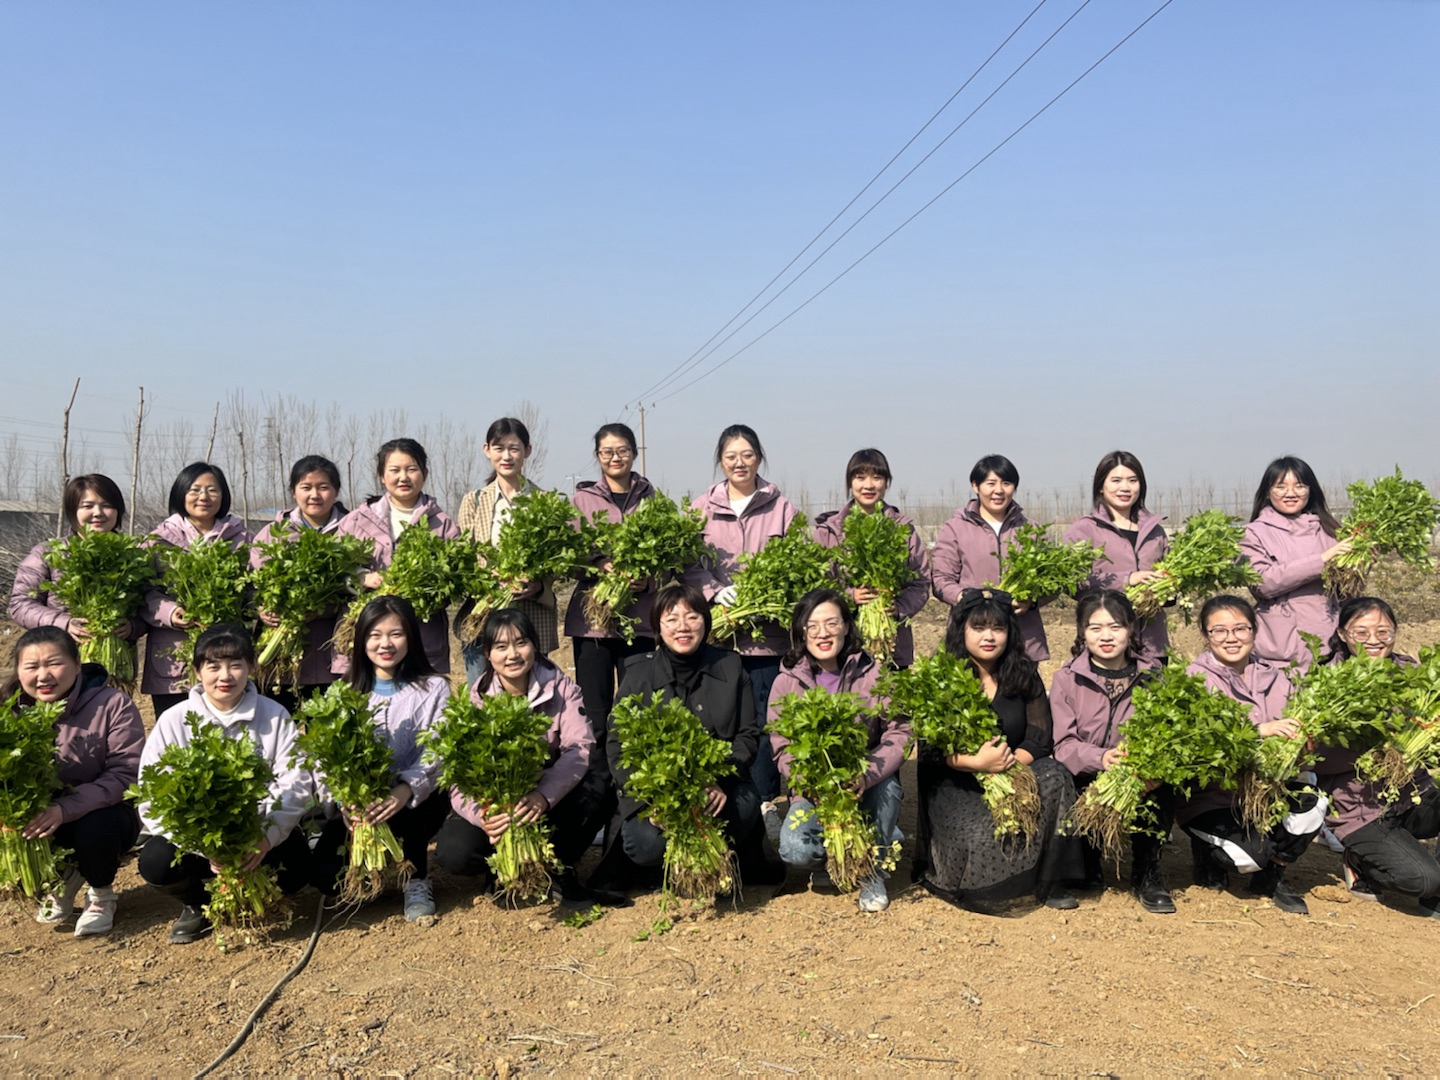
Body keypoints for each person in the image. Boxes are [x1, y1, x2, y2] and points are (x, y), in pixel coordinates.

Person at [592, 583, 778, 899]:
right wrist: (656, 800)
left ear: (706, 621)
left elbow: (748, 734)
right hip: (656, 794)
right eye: (672, 619)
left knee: (740, 811)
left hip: (721, 787)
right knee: (645, 843)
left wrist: (717, 780)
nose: (683, 627)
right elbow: (618, 743)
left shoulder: (731, 666)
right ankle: (663, 866)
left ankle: (711, 865)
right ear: (657, 627)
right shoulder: (637, 674)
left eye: (692, 617)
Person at [135, 624, 312, 944]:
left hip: (258, 832)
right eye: (213, 666)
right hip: (201, 842)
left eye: (236, 665)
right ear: (197, 671)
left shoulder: (274, 715)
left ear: (251, 668)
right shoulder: (174, 721)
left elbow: (296, 783)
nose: (224, 676)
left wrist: (266, 838)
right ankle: (198, 906)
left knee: (299, 865)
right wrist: (205, 849)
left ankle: (261, 900)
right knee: (156, 860)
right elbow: (151, 797)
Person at [915, 589, 1082, 910]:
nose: (989, 636)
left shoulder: (1023, 670)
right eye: (978, 628)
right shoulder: (941, 675)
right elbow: (930, 748)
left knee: (1056, 775)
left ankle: (1052, 879)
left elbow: (1040, 735)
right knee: (980, 839)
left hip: (1014, 770)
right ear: (961, 630)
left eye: (998, 628)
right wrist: (978, 763)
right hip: (958, 784)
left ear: (1010, 632)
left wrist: (1008, 763)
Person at [433, 608, 606, 903]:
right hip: (496, 804)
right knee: (453, 851)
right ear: (488, 654)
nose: (512, 654)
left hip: (546, 798)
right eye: (501, 647)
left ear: (534, 645)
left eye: (520, 643)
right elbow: (458, 775)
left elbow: (580, 746)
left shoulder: (561, 687)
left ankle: (556, 867)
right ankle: (500, 870)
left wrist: (543, 796)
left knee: (598, 786)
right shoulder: (475, 702)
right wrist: (483, 815)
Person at [1178, 595, 1325, 915]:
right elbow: (1201, 743)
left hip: (1267, 791)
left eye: (1240, 628)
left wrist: (1301, 745)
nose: (1231, 638)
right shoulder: (1193, 679)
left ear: (1254, 631)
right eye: (1219, 630)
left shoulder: (1278, 678)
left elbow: (1295, 740)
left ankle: (1272, 875)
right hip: (1213, 798)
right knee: (1248, 856)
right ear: (1206, 636)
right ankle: (1207, 852)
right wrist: (1261, 730)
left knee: (1315, 805)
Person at [309, 596, 452, 921]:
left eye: (396, 634)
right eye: (375, 635)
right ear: (361, 641)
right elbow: (322, 760)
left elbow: (439, 751)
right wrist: (344, 800)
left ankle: (415, 879)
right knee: (326, 878)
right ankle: (373, 871)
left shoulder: (434, 689)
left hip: (414, 801)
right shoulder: (341, 694)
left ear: (411, 638)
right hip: (361, 805)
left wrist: (405, 788)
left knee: (416, 810)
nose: (385, 644)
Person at [767, 588, 910, 912]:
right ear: (801, 631)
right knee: (795, 851)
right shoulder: (786, 681)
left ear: (847, 625)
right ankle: (829, 862)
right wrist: (813, 780)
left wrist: (867, 773)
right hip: (814, 790)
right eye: (813, 625)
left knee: (888, 787)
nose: (823, 633)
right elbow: (782, 747)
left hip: (866, 783)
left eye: (832, 623)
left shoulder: (873, 673)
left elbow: (900, 729)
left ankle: (872, 869)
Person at [689, 424, 797, 842]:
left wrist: (763, 594)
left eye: (748, 454)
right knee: (727, 718)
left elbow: (795, 563)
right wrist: (717, 592)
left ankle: (768, 801)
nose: (740, 462)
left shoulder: (780, 506)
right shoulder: (703, 506)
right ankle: (727, 797)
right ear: (721, 460)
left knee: (769, 718)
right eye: (731, 455)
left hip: (768, 638)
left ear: (759, 458)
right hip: (720, 638)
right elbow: (690, 564)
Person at [4, 626, 144, 936]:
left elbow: (124, 775)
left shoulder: (111, 704)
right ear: (18, 670)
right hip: (40, 814)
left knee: (95, 826)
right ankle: (59, 880)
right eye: (32, 666)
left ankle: (101, 895)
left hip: (105, 813)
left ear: (77, 664)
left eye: (54, 663)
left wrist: (64, 809)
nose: (44, 675)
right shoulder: (10, 711)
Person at [1311, 597, 1440, 916]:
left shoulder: (1409, 670)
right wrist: (1373, 750)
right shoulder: (1326, 681)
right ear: (1342, 634)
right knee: (1423, 878)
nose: (1373, 639)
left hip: (1413, 794)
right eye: (1362, 631)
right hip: (1360, 808)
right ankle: (1363, 864)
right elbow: (1317, 761)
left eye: (1383, 631)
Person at [563, 423, 662, 822]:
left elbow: (666, 556)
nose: (614, 458)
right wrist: (598, 564)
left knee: (636, 712)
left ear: (634, 453)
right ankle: (597, 803)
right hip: (594, 625)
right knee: (597, 715)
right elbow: (568, 555)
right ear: (598, 456)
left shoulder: (650, 499)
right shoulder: (582, 500)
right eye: (606, 452)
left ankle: (634, 802)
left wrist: (647, 577)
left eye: (621, 450)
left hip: (639, 622)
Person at [1051, 591, 1173, 912]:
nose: (1106, 636)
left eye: (1115, 627)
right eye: (1095, 628)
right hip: (1087, 777)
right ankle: (1088, 862)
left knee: (1166, 787)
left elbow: (1165, 736)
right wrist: (1100, 758)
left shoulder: (1153, 677)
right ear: (1082, 632)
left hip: (1135, 775)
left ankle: (1146, 871)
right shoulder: (1066, 679)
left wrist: (1149, 766)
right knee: (1060, 781)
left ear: (1131, 629)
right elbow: (1062, 744)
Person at [336, 438, 459, 675]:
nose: (403, 477)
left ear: (425, 473)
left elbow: (453, 582)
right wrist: (360, 578)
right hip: (366, 641)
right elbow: (336, 570)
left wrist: (423, 589)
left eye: (411, 469)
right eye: (394, 470)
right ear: (382, 476)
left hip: (422, 643)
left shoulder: (442, 525)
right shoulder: (356, 521)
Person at [140, 462, 251, 717]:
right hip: (172, 660)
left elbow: (252, 588)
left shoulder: (242, 539)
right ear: (181, 493)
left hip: (225, 654)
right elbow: (141, 593)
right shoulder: (158, 541)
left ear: (223, 496)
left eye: (212, 490)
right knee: (176, 735)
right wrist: (170, 611)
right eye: (195, 490)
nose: (204, 497)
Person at [456, 418, 558, 682]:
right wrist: (490, 580)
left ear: (527, 451)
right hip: (483, 616)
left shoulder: (545, 503)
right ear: (486, 450)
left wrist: (538, 585)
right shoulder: (474, 502)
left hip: (531, 616)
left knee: (535, 699)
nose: (507, 456)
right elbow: (465, 560)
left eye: (514, 448)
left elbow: (557, 563)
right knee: (481, 697)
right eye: (499, 448)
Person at [812, 448, 931, 669]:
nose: (868, 485)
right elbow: (818, 585)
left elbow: (921, 581)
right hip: (843, 645)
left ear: (887, 483)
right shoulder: (829, 531)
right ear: (849, 483)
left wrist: (900, 608)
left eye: (877, 477)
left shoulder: (902, 528)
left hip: (892, 644)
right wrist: (849, 596)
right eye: (860, 477)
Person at [250, 455, 349, 712]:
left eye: (323, 487)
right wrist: (261, 607)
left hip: (332, 656)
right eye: (306, 487)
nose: (314, 494)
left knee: (326, 736)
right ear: (294, 491)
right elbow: (252, 585)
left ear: (336, 491)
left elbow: (355, 591)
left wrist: (319, 610)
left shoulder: (351, 532)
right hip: (279, 666)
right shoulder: (275, 533)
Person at [9, 476, 144, 661]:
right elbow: (20, 604)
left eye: (106, 505)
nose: (98, 513)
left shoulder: (133, 557)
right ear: (73, 510)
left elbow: (148, 606)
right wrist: (64, 623)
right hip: (60, 661)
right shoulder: (49, 553)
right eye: (87, 506)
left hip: (116, 664)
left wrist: (133, 626)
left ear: (118, 511)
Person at [931, 455, 1050, 662]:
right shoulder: (955, 528)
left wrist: (1032, 602)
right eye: (990, 483)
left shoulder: (1032, 530)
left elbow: (1052, 581)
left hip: (1023, 638)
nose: (999, 490)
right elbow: (940, 579)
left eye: (1006, 483)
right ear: (975, 486)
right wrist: (965, 597)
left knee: (1021, 691)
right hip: (972, 633)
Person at [1241, 456, 1350, 671]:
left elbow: (1346, 592)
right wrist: (1322, 560)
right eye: (1281, 486)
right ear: (1267, 491)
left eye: (1299, 486)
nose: (1291, 493)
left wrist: (1360, 564)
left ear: (1311, 490)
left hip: (1329, 640)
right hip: (1280, 650)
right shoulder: (1254, 533)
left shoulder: (1330, 530)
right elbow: (1262, 582)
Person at [1062, 451, 1170, 661]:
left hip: (1152, 644)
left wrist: (1170, 588)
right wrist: (1127, 579)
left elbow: (1168, 574)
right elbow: (1072, 583)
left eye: (1132, 480)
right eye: (1116, 480)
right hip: (1105, 643)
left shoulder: (1155, 531)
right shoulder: (1084, 530)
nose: (1125, 487)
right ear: (1101, 486)